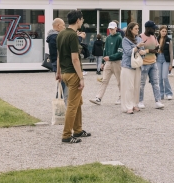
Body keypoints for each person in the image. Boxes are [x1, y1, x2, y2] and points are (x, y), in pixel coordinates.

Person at [56, 10, 91, 144]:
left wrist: (58, 72)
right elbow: (75, 59)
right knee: (72, 105)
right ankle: (66, 134)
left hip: (64, 72)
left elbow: (59, 55)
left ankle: (78, 129)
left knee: (78, 102)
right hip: (73, 74)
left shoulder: (61, 34)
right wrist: (81, 77)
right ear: (78, 20)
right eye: (81, 19)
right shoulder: (72, 36)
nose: (82, 22)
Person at [90, 22, 123, 105]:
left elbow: (120, 52)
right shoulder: (108, 38)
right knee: (104, 80)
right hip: (108, 62)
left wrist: (110, 57)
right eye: (110, 29)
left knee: (120, 81)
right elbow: (105, 50)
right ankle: (98, 98)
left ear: (116, 28)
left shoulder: (119, 38)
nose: (111, 30)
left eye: (112, 29)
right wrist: (103, 62)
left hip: (116, 62)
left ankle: (122, 97)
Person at [120, 22, 145, 114]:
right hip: (127, 65)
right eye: (136, 28)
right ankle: (128, 106)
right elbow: (127, 52)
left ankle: (135, 104)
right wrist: (138, 47)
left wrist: (143, 52)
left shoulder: (139, 38)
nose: (138, 30)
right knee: (128, 87)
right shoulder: (125, 40)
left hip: (137, 65)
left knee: (136, 86)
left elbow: (141, 50)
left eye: (138, 28)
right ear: (130, 29)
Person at [139, 21, 164, 109]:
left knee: (155, 83)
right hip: (144, 64)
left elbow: (157, 48)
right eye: (153, 28)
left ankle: (158, 101)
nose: (154, 30)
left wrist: (151, 50)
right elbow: (140, 51)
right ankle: (140, 101)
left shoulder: (154, 36)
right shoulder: (140, 37)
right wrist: (150, 50)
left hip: (153, 63)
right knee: (141, 84)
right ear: (147, 28)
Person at [47, 18, 67, 104]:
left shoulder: (52, 36)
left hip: (56, 61)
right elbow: (60, 51)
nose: (64, 27)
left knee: (62, 84)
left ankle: (60, 102)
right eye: (63, 25)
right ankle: (60, 103)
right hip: (59, 62)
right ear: (58, 25)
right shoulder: (56, 37)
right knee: (62, 84)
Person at [156, 25, 174, 100]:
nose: (164, 32)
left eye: (165, 31)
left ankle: (169, 93)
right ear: (160, 31)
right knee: (159, 78)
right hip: (158, 59)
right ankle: (161, 94)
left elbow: (171, 52)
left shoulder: (169, 40)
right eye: (162, 31)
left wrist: (171, 64)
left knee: (165, 77)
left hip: (165, 59)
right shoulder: (156, 39)